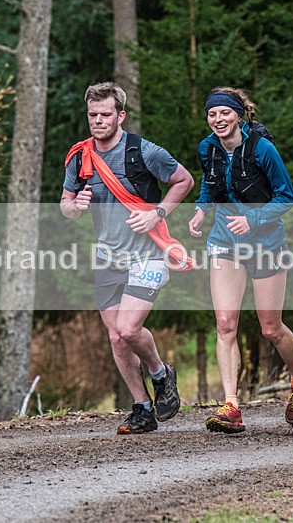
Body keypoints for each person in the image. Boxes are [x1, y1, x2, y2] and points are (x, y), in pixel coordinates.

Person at [61, 82, 195, 435]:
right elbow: (66, 204)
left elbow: (184, 180)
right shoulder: (80, 157)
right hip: (108, 258)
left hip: (147, 255)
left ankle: (161, 373)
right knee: (117, 338)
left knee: (128, 328)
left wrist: (158, 214)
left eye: (106, 114)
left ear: (120, 115)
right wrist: (74, 207)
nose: (99, 121)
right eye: (93, 115)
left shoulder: (144, 152)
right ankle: (142, 407)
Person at [188, 87, 293, 433]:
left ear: (239, 116)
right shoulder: (206, 149)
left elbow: (287, 197)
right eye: (212, 114)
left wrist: (254, 219)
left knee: (271, 328)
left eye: (224, 113)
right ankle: (232, 405)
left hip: (266, 242)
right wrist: (201, 211)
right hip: (224, 241)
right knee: (226, 323)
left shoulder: (263, 149)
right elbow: (209, 187)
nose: (218, 120)